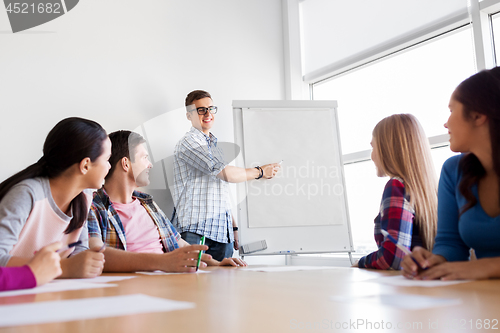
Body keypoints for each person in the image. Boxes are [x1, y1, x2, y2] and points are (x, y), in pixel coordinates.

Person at [87, 130, 247, 273]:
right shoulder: (93, 207)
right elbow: (96, 253)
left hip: (168, 282)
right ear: (126, 164)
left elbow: (180, 243)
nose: (150, 164)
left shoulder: (147, 204)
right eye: (144, 158)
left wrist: (215, 263)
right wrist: (162, 262)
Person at [402, 67, 500, 280]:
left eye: (451, 110)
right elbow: (451, 244)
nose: (446, 123)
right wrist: (432, 261)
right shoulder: (453, 170)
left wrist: (488, 267)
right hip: (484, 300)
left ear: (477, 115)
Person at [172, 90, 281, 261]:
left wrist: (234, 227)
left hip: (222, 233)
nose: (208, 114)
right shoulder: (189, 142)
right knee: (191, 285)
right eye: (201, 110)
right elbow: (225, 174)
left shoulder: (215, 146)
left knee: (223, 285)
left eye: (211, 108)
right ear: (189, 115)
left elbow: (220, 192)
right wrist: (260, 172)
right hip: (195, 231)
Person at [0, 117, 108, 278]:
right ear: (86, 165)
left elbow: (79, 251)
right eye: (107, 159)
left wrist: (88, 261)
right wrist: (64, 268)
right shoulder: (27, 194)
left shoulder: (84, 198)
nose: (110, 166)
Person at [356, 114, 438, 270]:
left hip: (406, 288)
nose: (372, 156)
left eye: (373, 147)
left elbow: (394, 257)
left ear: (388, 148)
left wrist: (359, 263)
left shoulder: (396, 186)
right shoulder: (431, 188)